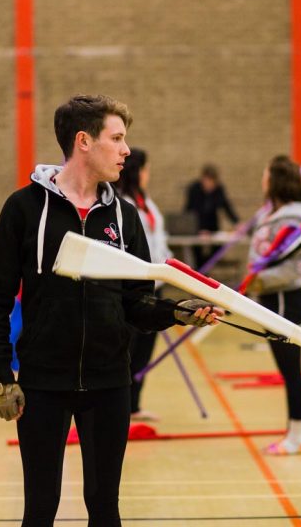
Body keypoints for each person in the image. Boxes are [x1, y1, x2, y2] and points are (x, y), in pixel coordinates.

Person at [0, 94, 223, 526]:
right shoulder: (23, 209)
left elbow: (137, 304)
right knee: (39, 511)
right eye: (117, 138)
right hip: (42, 383)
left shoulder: (126, 218)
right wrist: (1, 374)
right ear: (83, 142)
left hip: (110, 383)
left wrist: (177, 312)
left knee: (105, 509)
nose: (126, 150)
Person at [247, 155, 301, 455]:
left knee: (291, 370)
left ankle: (297, 436)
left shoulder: (293, 219)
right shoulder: (276, 213)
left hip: (286, 297)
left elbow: (294, 268)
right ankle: (294, 432)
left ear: (275, 181)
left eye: (266, 175)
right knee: (288, 369)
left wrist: (259, 281)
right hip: (274, 298)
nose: (262, 180)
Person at [115, 147, 173, 422]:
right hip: (133, 287)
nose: (149, 175)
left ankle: (134, 405)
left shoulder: (146, 202)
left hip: (157, 283)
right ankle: (120, 406)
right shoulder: (121, 203)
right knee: (128, 348)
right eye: (147, 169)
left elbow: (159, 240)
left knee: (145, 350)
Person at [185, 164, 240, 268]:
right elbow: (189, 212)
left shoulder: (219, 190)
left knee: (218, 249)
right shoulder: (194, 189)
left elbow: (227, 207)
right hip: (197, 228)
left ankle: (205, 269)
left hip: (213, 227)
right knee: (197, 252)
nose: (210, 185)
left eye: (212, 183)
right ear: (203, 180)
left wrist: (237, 223)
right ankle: (200, 272)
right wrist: (199, 230)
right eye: (207, 182)